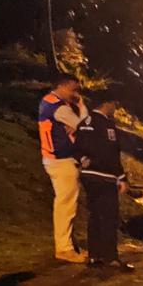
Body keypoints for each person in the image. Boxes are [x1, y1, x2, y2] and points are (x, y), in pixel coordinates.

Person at [74, 96, 132, 272]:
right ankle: (110, 257)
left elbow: (76, 148)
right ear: (106, 104)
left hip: (88, 176)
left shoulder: (84, 123)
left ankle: (94, 255)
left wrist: (82, 159)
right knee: (108, 217)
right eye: (114, 104)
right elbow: (111, 153)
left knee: (95, 216)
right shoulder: (106, 126)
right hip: (104, 175)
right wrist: (121, 177)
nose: (114, 108)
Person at [38, 73, 89, 263]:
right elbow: (86, 128)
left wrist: (76, 127)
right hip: (61, 161)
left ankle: (70, 246)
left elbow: (79, 128)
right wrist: (81, 107)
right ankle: (64, 249)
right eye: (74, 90)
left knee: (66, 204)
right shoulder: (59, 107)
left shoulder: (49, 102)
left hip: (55, 159)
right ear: (63, 86)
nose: (76, 95)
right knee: (66, 205)